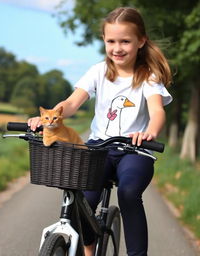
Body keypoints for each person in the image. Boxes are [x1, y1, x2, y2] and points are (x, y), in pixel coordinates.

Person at [28, 6, 172, 256]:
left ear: (141, 41)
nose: (118, 48)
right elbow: (72, 103)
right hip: (98, 148)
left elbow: (157, 111)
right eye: (112, 41)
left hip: (134, 150)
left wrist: (149, 132)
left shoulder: (148, 76)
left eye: (125, 41)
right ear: (104, 41)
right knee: (81, 199)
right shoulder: (98, 71)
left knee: (128, 193)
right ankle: (88, 248)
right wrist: (48, 115)